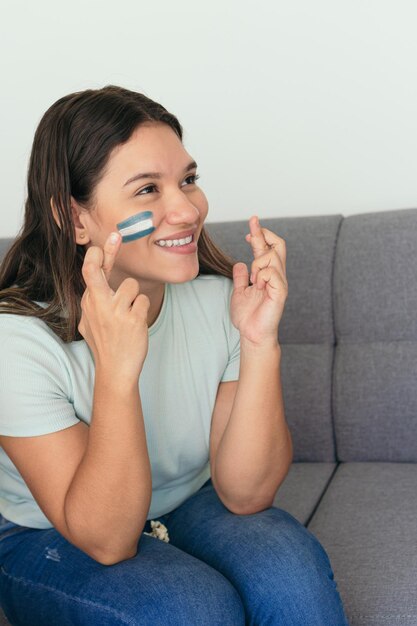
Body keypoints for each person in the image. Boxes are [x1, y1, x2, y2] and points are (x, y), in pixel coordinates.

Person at [0, 85, 349, 626]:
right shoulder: (17, 342)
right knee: (191, 609)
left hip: (185, 502)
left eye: (188, 179)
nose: (187, 209)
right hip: (46, 531)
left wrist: (259, 342)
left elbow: (245, 494)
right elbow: (108, 540)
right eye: (147, 189)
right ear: (75, 219)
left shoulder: (218, 302)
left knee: (292, 577)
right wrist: (116, 371)